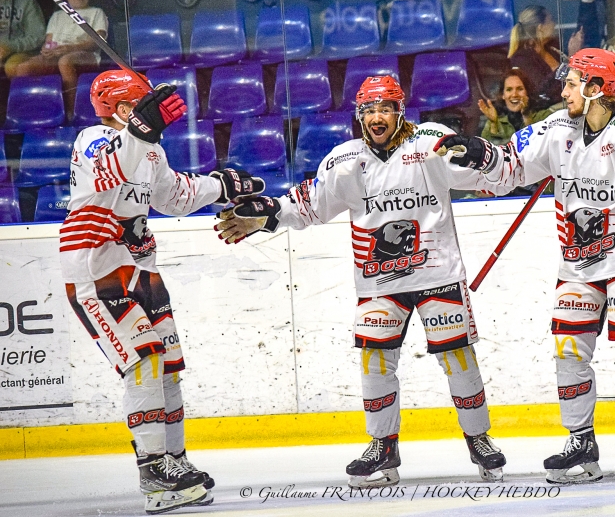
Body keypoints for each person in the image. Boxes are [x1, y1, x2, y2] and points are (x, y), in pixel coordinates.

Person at [215, 75, 508, 487]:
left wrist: (482, 154)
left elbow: (489, 175)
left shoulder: (429, 143)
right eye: (368, 110)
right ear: (359, 116)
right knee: (374, 360)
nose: (376, 117)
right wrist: (267, 214)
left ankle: (479, 439)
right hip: (380, 283)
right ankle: (383, 447)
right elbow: (310, 207)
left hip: (437, 275)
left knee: (458, 358)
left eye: (384, 108)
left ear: (399, 111)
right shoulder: (345, 160)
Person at [434, 48, 615, 484]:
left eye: (571, 82)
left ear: (596, 87)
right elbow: (510, 166)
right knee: (568, 349)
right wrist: (478, 153)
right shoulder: (556, 128)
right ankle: (581, 439)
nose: (562, 91)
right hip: (578, 264)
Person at [61, 70, 264, 514]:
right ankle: (152, 469)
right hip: (97, 267)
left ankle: (174, 460)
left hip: (141, 271)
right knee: (144, 363)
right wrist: (142, 128)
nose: (149, 112)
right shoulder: (92, 140)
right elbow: (112, 168)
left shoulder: (148, 149)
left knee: (168, 368)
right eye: (140, 104)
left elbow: (174, 196)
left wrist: (223, 184)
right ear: (120, 110)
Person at [8, 0, 107, 120]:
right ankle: (29, 114)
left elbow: (98, 41)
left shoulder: (96, 12)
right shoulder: (57, 16)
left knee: (65, 62)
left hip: (86, 55)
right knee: (25, 67)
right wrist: (48, 50)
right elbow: (49, 42)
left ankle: (71, 112)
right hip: (58, 55)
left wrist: (70, 48)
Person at [508, 5, 575, 110]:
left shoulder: (553, 48)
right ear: (540, 27)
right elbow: (542, 91)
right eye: (550, 20)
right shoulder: (522, 59)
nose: (554, 24)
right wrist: (570, 60)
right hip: (546, 114)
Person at [478, 69, 543, 146]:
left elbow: (540, 146)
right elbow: (487, 151)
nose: (514, 94)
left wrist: (526, 116)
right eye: (509, 90)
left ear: (527, 91)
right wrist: (493, 124)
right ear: (503, 95)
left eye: (520, 89)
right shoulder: (494, 122)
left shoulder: (543, 116)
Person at [0, 0, 46, 76]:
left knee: (12, 66)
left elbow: (37, 37)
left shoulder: (28, 2)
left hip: (20, 52)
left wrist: (10, 46)